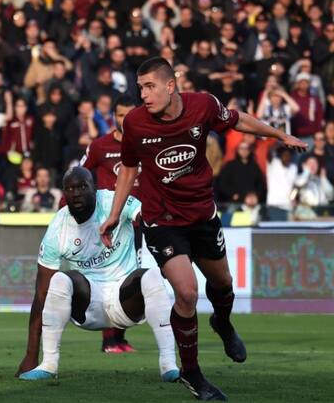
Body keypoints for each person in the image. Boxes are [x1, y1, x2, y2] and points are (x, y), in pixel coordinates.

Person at [99, 57, 307, 400]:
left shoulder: (203, 105)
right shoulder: (136, 122)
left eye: (150, 87)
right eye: (140, 89)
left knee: (223, 283)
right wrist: (114, 214)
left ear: (170, 85)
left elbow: (239, 121)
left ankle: (222, 323)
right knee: (187, 292)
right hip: (162, 220)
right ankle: (192, 373)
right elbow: (128, 170)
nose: (144, 96)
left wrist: (280, 133)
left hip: (202, 215)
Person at [15, 167, 178, 384]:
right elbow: (41, 295)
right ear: (63, 193)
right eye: (71, 188)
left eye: (83, 186)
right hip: (88, 306)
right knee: (60, 280)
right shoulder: (57, 228)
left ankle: (169, 365)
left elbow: (149, 218)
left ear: (95, 188)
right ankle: (48, 364)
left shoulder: (114, 201)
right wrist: (30, 354)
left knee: (152, 276)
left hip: (125, 300)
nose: (77, 193)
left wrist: (168, 254)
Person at [79, 94, 139, 353]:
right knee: (107, 281)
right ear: (114, 116)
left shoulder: (142, 144)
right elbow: (80, 174)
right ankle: (107, 341)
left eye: (130, 114)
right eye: (121, 114)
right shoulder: (100, 146)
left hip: (136, 223)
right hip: (109, 225)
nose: (126, 119)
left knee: (129, 281)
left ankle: (121, 338)